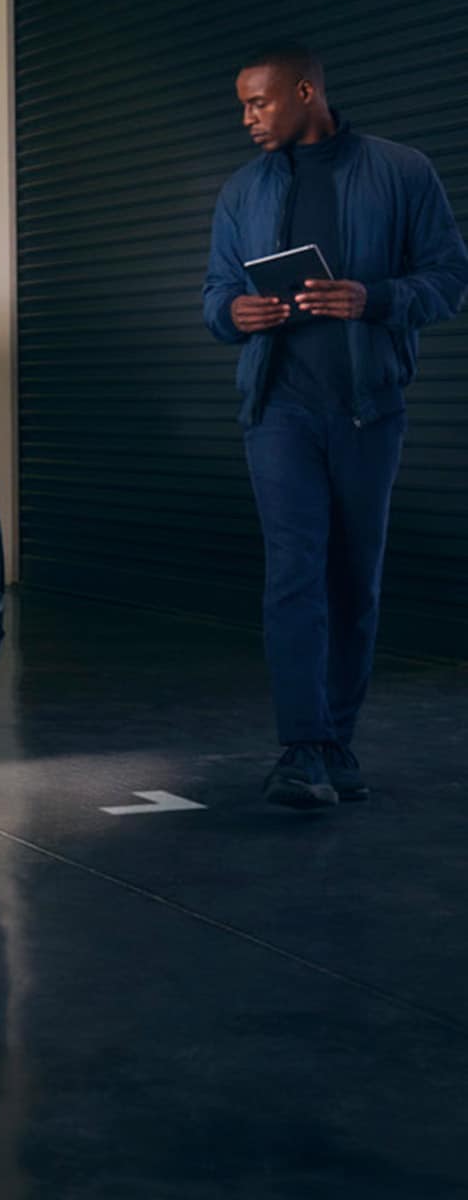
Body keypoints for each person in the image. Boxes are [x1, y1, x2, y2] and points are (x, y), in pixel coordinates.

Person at [203, 43, 468, 809]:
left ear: (306, 91)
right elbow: (217, 288)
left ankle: (336, 745)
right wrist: (232, 314)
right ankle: (302, 747)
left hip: (367, 409)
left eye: (260, 102)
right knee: (294, 571)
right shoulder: (242, 190)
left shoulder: (402, 171)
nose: (249, 118)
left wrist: (374, 298)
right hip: (277, 407)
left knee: (354, 580)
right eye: (242, 105)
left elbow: (451, 278)